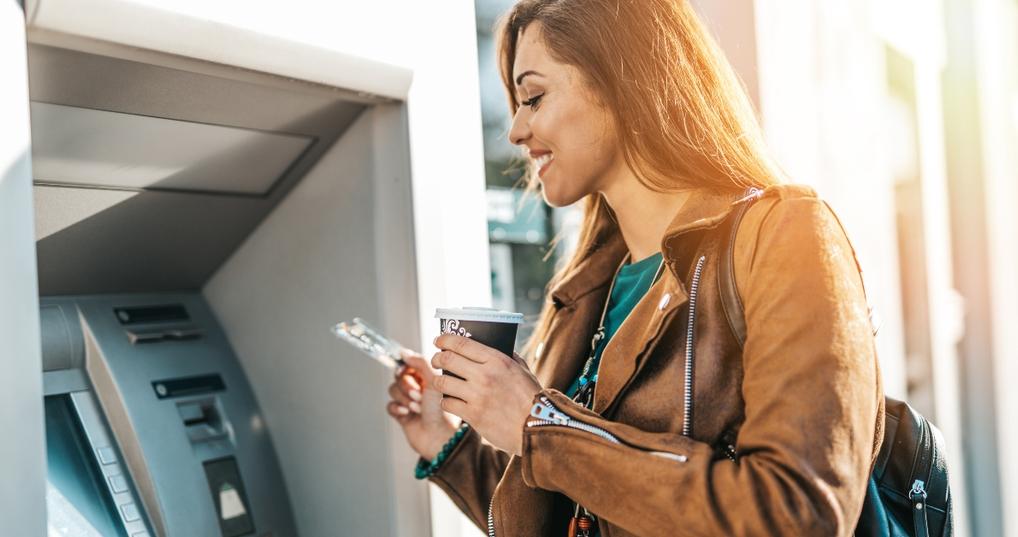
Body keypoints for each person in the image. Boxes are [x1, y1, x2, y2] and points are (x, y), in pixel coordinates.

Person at [386, 1, 883, 535]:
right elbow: (571, 508)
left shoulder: (786, 235)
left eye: (533, 97)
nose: (515, 130)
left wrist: (541, 425)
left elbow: (795, 513)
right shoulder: (587, 290)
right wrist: (449, 444)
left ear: (621, 80)